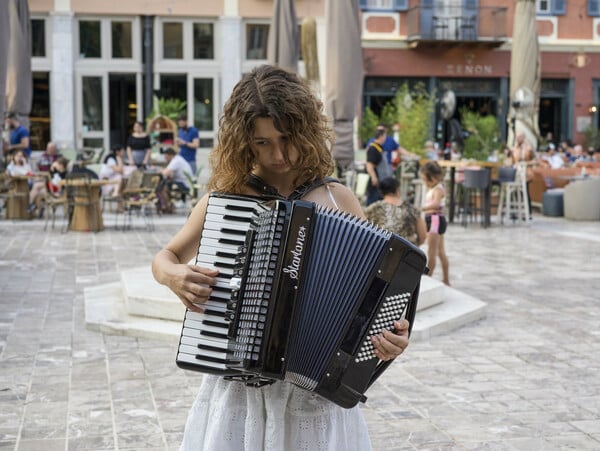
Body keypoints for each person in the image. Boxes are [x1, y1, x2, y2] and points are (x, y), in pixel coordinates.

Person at [151, 65, 411, 451]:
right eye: (262, 143)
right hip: (240, 392)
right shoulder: (228, 200)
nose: (279, 154)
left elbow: (372, 299)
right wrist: (173, 276)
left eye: (287, 138)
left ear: (305, 130)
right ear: (243, 142)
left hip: (313, 397)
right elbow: (166, 256)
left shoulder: (338, 199)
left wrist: (392, 335)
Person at [364, 176, 427, 247]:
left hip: (382, 251)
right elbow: (423, 236)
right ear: (397, 190)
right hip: (407, 252)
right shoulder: (412, 209)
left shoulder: (373, 209)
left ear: (381, 192)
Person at [419, 161, 450, 285]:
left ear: (433, 178)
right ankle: (446, 279)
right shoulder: (435, 187)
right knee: (440, 251)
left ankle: (427, 280)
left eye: (426, 180)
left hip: (434, 221)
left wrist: (421, 209)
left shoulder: (438, 189)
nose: (425, 183)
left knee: (432, 252)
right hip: (435, 220)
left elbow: (436, 204)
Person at [365, 128, 393, 206]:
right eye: (385, 136)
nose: (385, 139)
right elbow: (369, 165)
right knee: (373, 203)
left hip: (382, 182)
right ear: (381, 137)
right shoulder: (373, 149)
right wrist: (374, 177)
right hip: (376, 183)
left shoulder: (379, 148)